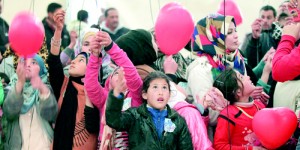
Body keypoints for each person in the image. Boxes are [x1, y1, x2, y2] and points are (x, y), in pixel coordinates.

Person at [187, 14, 271, 140]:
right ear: (213, 37)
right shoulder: (200, 69)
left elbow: (242, 93)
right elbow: (211, 115)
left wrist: (250, 97)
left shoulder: (236, 59)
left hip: (241, 133)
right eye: (229, 32)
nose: (236, 35)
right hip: (216, 137)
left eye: (235, 30)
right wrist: (243, 100)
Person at [48, 10, 99, 150]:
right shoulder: (64, 84)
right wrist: (58, 30)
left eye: (81, 60)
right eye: (86, 43)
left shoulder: (98, 90)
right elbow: (53, 62)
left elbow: (94, 125)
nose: (74, 62)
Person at [84, 29, 143, 149]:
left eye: (124, 73)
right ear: (108, 82)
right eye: (116, 73)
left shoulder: (136, 96)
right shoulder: (105, 98)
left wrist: (111, 46)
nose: (121, 74)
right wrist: (95, 56)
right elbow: (90, 84)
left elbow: (129, 69)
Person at [106, 71, 193, 149]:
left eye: (164, 87)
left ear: (169, 94)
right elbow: (113, 121)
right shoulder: (135, 115)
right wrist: (116, 95)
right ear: (145, 94)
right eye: (155, 87)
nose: (160, 92)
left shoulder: (177, 120)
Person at [3, 55, 57, 150]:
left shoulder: (46, 89)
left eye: (33, 62)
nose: (28, 65)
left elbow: (51, 115)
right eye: (24, 62)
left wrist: (41, 87)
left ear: (41, 69)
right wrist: (20, 82)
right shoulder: (11, 88)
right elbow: (9, 113)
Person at [213, 69, 267, 150]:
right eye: (241, 77)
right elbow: (219, 146)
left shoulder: (259, 105)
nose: (248, 77)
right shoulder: (228, 114)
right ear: (237, 91)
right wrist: (250, 149)